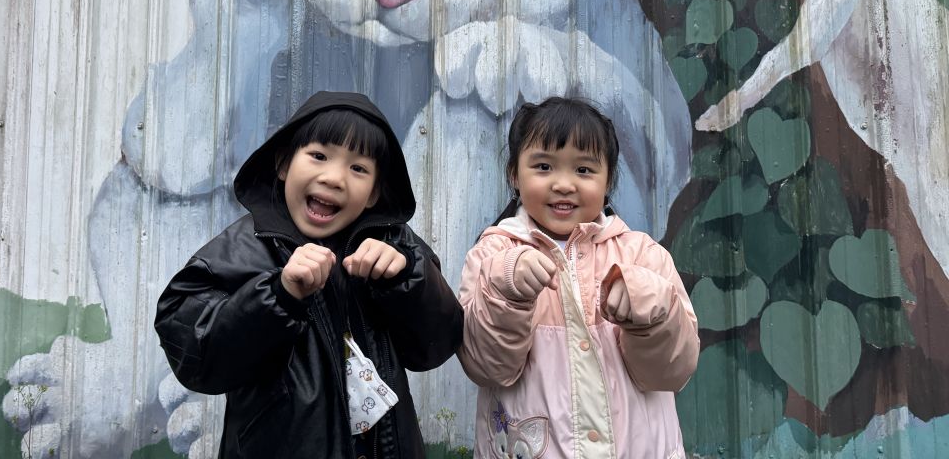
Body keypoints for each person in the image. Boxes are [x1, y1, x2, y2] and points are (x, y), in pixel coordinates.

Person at [155, 91, 463, 458]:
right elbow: (194, 353)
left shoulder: (395, 245)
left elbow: (438, 344)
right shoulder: (244, 247)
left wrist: (406, 278)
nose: (334, 178)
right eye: (318, 156)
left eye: (358, 168)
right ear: (283, 164)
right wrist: (278, 295)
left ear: (373, 194)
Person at [458, 96, 698, 459]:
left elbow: (672, 373)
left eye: (584, 170)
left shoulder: (644, 255)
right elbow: (486, 368)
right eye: (543, 166)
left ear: (608, 180)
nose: (564, 184)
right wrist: (506, 294)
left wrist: (651, 315)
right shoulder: (492, 255)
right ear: (514, 175)